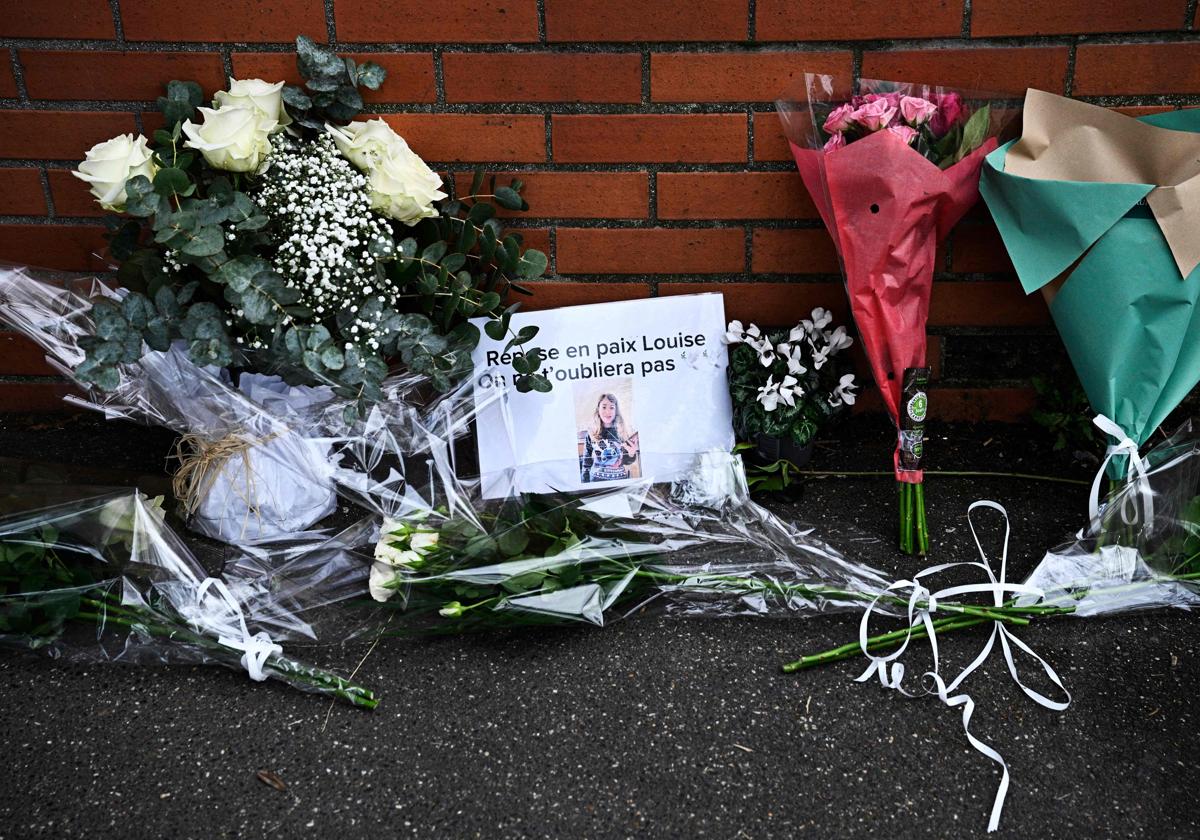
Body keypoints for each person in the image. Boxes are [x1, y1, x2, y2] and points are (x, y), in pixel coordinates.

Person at [578, 392, 639, 483]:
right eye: (604, 407)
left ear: (616, 411)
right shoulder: (591, 432)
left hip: (619, 482)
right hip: (595, 482)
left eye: (612, 407)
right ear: (598, 409)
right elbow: (586, 463)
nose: (608, 411)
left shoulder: (623, 431)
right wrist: (584, 485)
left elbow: (627, 461)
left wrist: (631, 454)